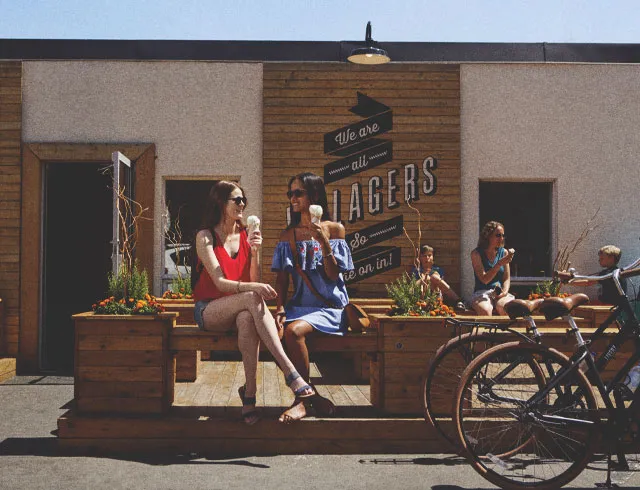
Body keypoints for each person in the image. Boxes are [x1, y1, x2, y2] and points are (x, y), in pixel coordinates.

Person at [191, 181, 315, 425]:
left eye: (243, 200)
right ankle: (291, 373)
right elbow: (220, 283)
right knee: (250, 297)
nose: (242, 204)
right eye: (236, 200)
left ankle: (249, 397)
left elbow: (252, 280)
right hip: (209, 310)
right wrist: (254, 289)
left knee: (247, 317)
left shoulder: (246, 234)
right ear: (220, 203)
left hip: (239, 310)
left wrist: (255, 251)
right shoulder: (205, 237)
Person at [272, 172, 354, 423]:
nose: (293, 198)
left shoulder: (335, 229)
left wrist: (324, 243)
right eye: (290, 194)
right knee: (270, 334)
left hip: (329, 307)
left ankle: (301, 401)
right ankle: (312, 398)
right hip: (299, 306)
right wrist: (279, 309)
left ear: (315, 196)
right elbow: (282, 280)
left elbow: (332, 277)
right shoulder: (288, 236)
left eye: (298, 193)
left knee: (293, 332)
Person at [470, 221, 516, 315]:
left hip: (499, 293)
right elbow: (484, 279)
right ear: (488, 236)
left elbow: (506, 278)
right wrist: (499, 264)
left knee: (505, 308)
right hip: (482, 292)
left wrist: (505, 292)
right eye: (498, 235)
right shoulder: (476, 254)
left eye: (503, 235)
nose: (501, 238)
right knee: (485, 311)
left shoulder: (504, 253)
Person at [561, 245, 628, 304]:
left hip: (610, 305)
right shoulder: (617, 271)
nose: (599, 260)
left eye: (602, 258)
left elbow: (587, 282)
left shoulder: (608, 273)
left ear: (611, 258)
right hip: (616, 304)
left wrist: (568, 282)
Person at [410, 244, 466, 311]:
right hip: (420, 297)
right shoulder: (416, 270)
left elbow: (442, 287)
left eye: (429, 255)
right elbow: (412, 287)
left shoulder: (438, 270)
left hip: (436, 295)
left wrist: (432, 277)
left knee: (434, 277)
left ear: (433, 257)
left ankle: (458, 300)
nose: (427, 258)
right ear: (420, 258)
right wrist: (424, 278)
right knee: (427, 278)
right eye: (424, 256)